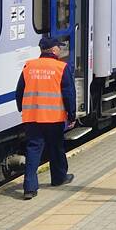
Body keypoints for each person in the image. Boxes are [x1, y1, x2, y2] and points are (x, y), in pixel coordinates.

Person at [16, 36, 76, 200]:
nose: (60, 49)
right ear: (54, 50)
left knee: (33, 150)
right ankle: (58, 178)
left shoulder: (29, 66)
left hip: (32, 117)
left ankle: (29, 188)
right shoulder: (61, 67)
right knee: (56, 148)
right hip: (53, 117)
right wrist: (71, 115)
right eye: (59, 47)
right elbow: (69, 94)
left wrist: (22, 108)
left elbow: (19, 91)